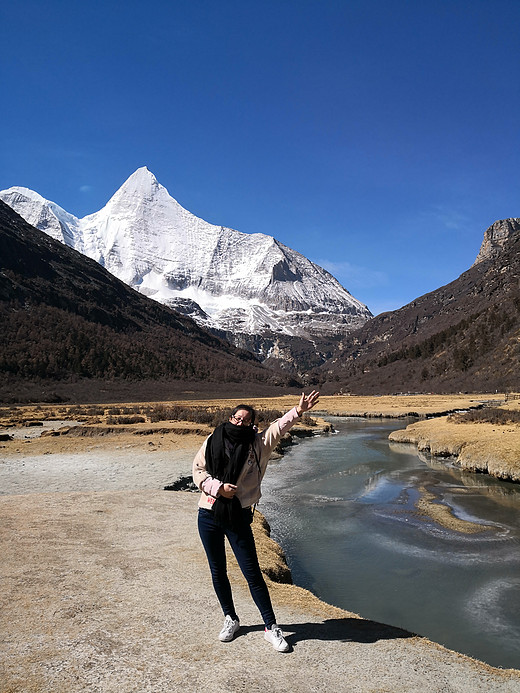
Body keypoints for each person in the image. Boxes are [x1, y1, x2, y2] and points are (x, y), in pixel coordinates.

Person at [192, 390, 320, 652]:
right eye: (236, 419)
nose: (239, 423)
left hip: (238, 515)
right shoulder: (213, 439)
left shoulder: (258, 444)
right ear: (230, 418)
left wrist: (298, 411)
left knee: (252, 573)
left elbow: (278, 428)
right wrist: (217, 488)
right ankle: (231, 618)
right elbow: (198, 470)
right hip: (208, 512)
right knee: (218, 570)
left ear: (253, 424)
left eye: (245, 421)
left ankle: (270, 627)